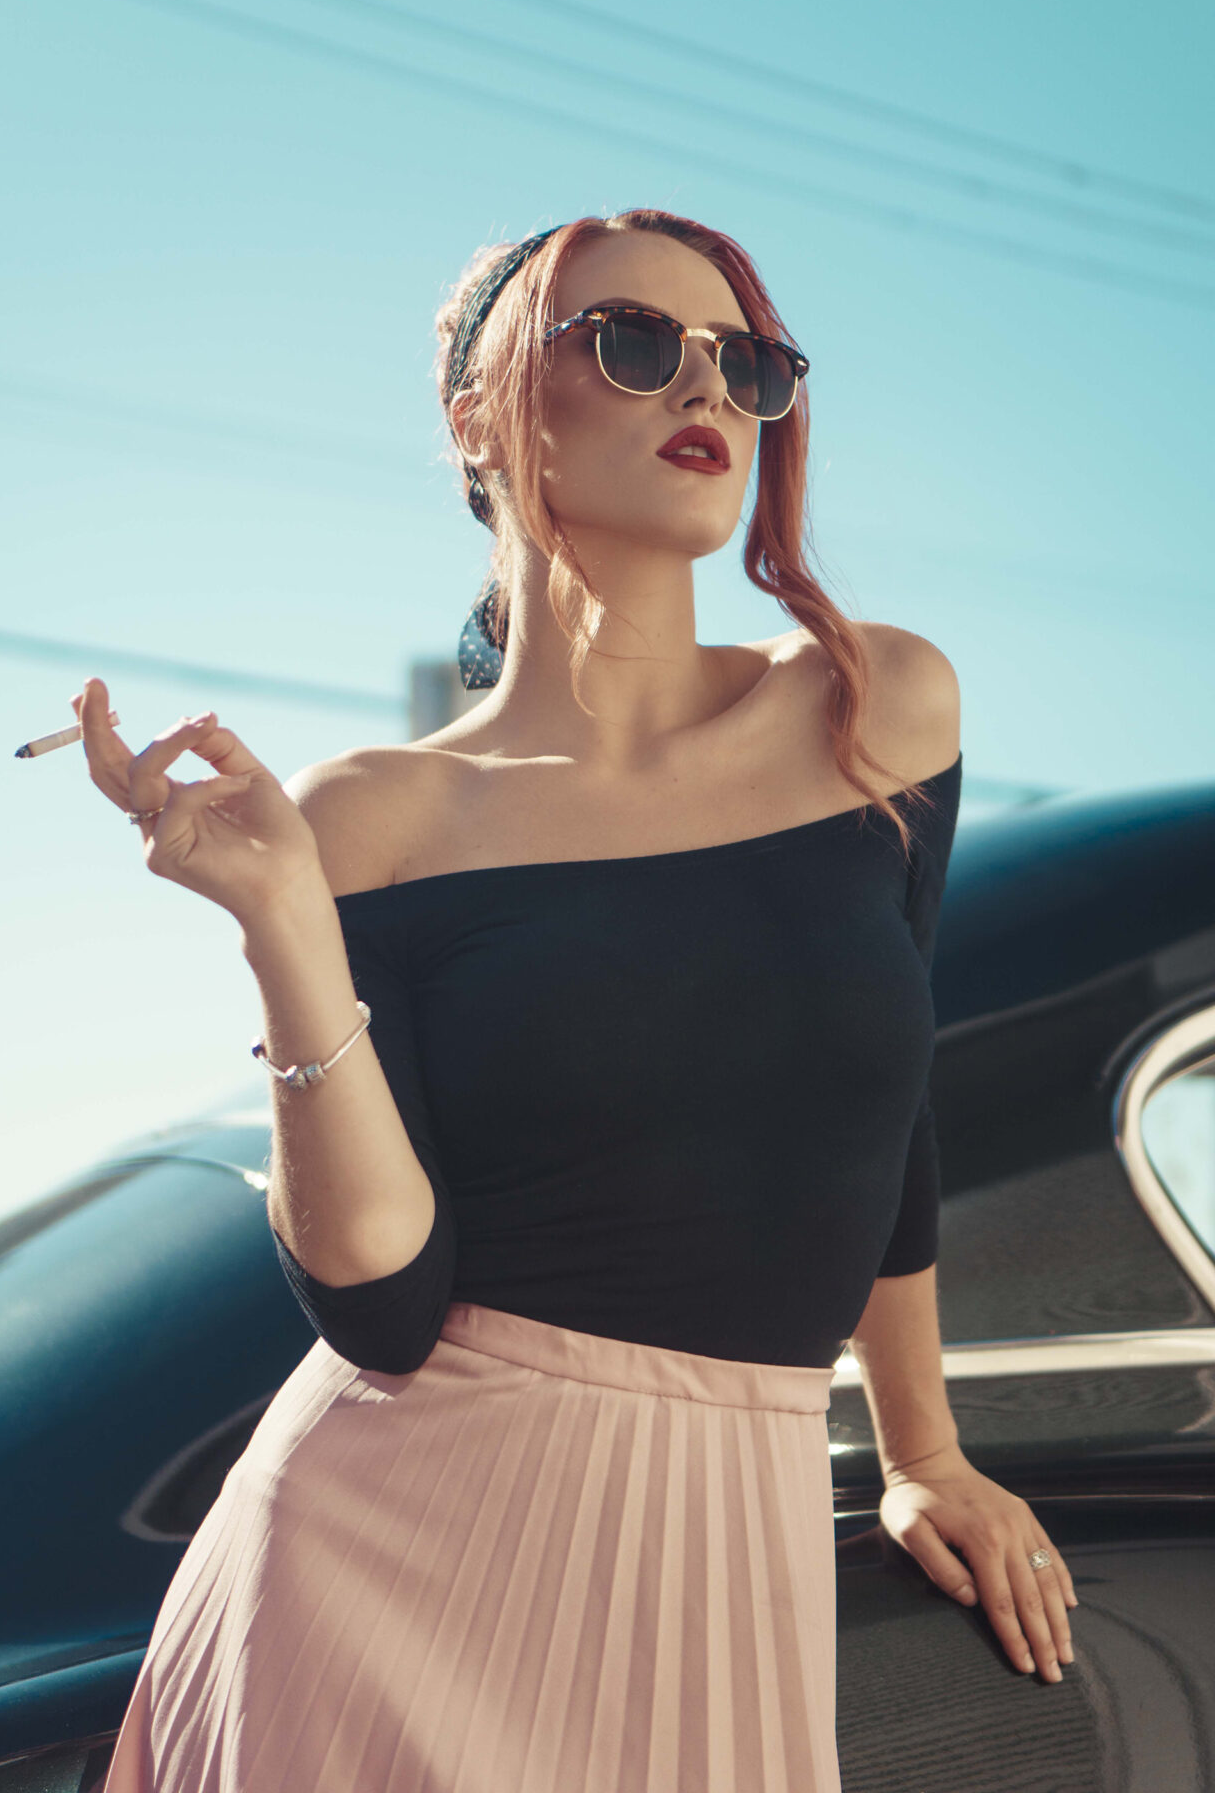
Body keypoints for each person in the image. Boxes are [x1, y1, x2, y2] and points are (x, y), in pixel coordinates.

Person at [83, 208, 1077, 1793]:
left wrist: (922, 1449)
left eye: (743, 362)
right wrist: (282, 921)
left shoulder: (873, 705)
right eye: (632, 343)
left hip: (731, 1525)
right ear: (486, 418)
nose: (705, 391)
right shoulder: (372, 816)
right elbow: (381, 1303)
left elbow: (888, 1110)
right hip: (381, 1554)